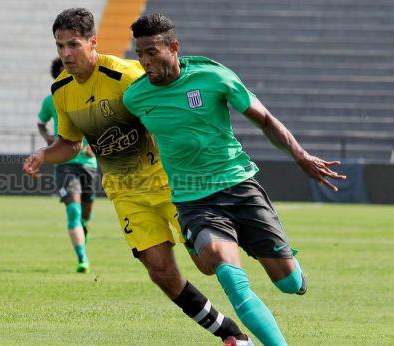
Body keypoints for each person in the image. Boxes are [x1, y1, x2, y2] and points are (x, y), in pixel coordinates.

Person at [23, 8, 252, 345]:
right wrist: (44, 155)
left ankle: (255, 245)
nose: (67, 54)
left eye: (73, 44)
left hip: (168, 182)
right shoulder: (61, 91)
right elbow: (71, 144)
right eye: (60, 46)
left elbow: (170, 106)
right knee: (160, 270)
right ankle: (230, 334)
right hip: (124, 193)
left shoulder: (126, 75)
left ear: (93, 42)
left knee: (207, 261)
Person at [123, 14, 347, 346]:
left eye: (152, 52)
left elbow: (265, 119)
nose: (145, 62)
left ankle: (293, 273)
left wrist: (300, 155)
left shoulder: (213, 76)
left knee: (286, 282)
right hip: (194, 201)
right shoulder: (136, 97)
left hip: (239, 187)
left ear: (173, 47)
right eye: (140, 54)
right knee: (226, 271)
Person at [37, 57, 98, 273]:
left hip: (89, 164)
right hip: (64, 162)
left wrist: (95, 145)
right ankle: (82, 258)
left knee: (86, 211)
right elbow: (41, 122)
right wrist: (49, 140)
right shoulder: (51, 100)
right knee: (73, 210)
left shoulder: (89, 94)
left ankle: (82, 228)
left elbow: (99, 123)